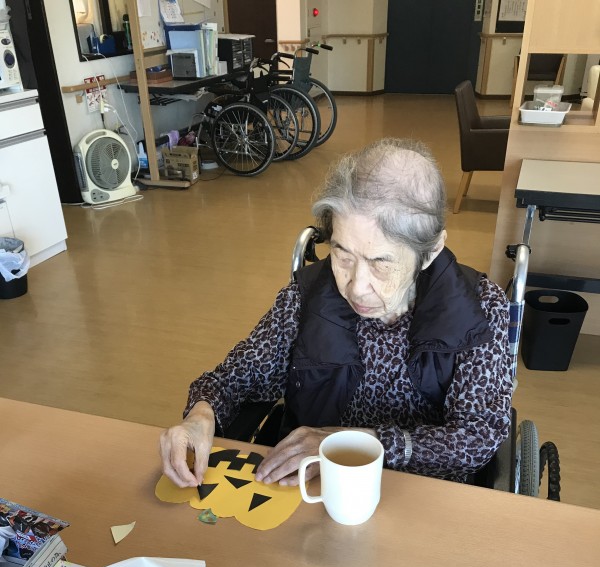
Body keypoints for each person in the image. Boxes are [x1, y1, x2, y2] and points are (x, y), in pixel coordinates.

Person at [160, 138, 512, 489]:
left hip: (423, 492)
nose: (356, 287)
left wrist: (351, 444)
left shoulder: (480, 309)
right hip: (317, 486)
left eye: (380, 263)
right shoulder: (308, 296)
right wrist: (200, 415)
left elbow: (476, 437)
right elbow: (235, 377)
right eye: (342, 255)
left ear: (431, 251)